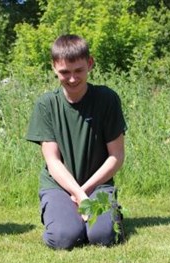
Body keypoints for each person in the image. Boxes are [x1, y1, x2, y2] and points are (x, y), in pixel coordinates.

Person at [26, 34, 127, 250]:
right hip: (58, 186)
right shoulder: (46, 104)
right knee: (64, 239)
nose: (72, 78)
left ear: (89, 64)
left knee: (103, 236)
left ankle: (107, 216)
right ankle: (61, 217)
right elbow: (52, 161)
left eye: (78, 70)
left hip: (98, 185)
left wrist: (86, 193)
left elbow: (116, 156)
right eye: (64, 72)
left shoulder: (107, 99)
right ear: (54, 67)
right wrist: (79, 195)